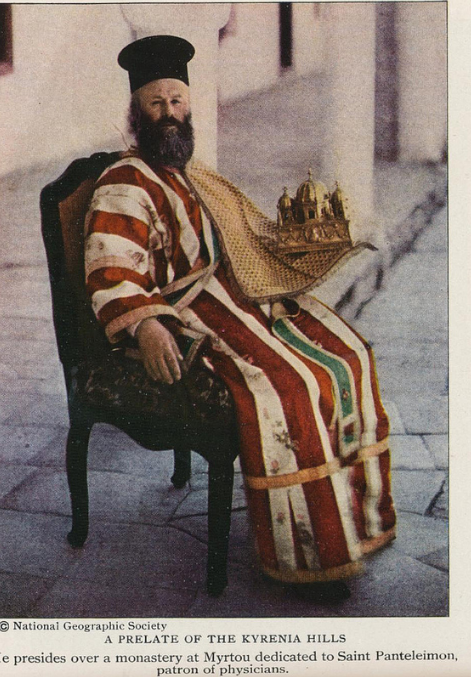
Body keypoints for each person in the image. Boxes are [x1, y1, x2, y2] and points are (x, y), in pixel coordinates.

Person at [84, 35, 396, 602]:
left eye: (177, 102)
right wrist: (147, 325)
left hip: (231, 293)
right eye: (157, 104)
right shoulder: (123, 184)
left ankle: (357, 521)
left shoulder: (190, 171)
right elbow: (111, 269)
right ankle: (310, 553)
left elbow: (241, 231)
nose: (170, 114)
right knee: (292, 383)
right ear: (137, 113)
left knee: (348, 354)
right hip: (181, 313)